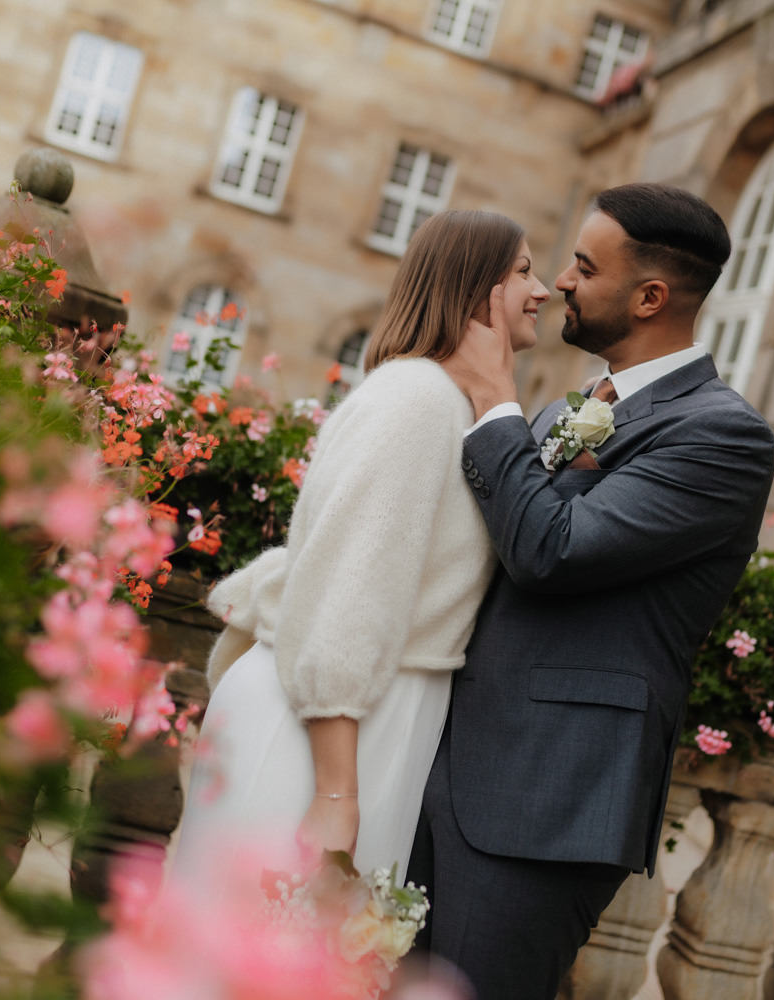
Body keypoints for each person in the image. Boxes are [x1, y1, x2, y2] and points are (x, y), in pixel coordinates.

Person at [406, 183, 774, 998]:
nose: (561, 282)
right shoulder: (565, 412)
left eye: (582, 265)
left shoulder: (723, 435)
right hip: (441, 763)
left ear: (650, 296)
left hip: (544, 799)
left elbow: (553, 550)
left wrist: (495, 398)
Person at [167, 210, 550, 882]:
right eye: (522, 272)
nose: (542, 289)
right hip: (331, 735)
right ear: (474, 289)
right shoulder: (418, 401)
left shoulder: (448, 404)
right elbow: (348, 600)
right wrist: (337, 794)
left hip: (373, 719)